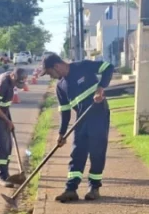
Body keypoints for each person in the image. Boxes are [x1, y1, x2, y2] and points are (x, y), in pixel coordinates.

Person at [39, 53, 114, 203]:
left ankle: (94, 188)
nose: (51, 76)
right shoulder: (60, 87)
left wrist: (101, 87)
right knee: (77, 153)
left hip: (98, 113)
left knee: (96, 152)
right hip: (81, 120)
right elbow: (65, 112)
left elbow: (109, 67)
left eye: (49, 73)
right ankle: (71, 189)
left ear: (57, 66)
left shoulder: (83, 66)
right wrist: (62, 133)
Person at [0, 67, 27, 187]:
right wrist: (7, 120)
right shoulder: (3, 85)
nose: (16, 85)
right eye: (16, 83)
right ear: (12, 76)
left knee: (8, 145)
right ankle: (1, 177)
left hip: (5, 111)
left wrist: (8, 119)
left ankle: (6, 174)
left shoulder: (10, 76)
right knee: (1, 145)